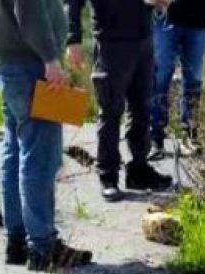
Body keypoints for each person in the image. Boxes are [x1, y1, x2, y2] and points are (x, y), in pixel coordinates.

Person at [0, 0, 94, 270]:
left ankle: (17, 241)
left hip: (6, 62)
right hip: (29, 64)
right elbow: (29, 9)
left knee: (15, 147)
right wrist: (50, 58)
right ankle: (43, 247)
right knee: (39, 153)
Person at [66, 0, 173, 201]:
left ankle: (138, 170)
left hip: (144, 37)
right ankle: (108, 176)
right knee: (111, 108)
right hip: (112, 40)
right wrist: (73, 38)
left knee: (142, 107)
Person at [149, 0, 205, 157]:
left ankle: (190, 135)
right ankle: (155, 138)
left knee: (194, 80)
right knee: (160, 77)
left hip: (199, 21)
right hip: (166, 18)